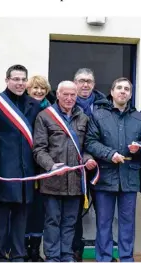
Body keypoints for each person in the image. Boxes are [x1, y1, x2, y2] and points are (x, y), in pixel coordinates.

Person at [85, 77, 141, 262]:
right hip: (105, 176)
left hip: (129, 177)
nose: (123, 91)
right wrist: (109, 153)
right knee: (104, 222)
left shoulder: (140, 118)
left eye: (127, 89)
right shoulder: (98, 115)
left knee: (127, 223)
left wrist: (140, 147)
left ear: (130, 94)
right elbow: (90, 142)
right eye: (119, 88)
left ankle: (126, 258)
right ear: (112, 92)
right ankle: (104, 258)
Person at [33, 80, 97, 262]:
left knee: (70, 222)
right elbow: (38, 149)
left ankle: (66, 255)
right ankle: (53, 257)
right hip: (52, 180)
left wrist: (88, 159)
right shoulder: (45, 116)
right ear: (58, 95)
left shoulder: (84, 118)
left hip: (75, 181)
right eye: (65, 94)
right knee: (52, 221)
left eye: (73, 95)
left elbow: (87, 146)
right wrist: (50, 166)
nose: (69, 98)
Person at [0, 64, 41, 262]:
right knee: (1, 217)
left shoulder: (34, 104)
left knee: (21, 215)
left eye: (23, 79)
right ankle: (0, 256)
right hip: (3, 167)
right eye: (15, 79)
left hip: (27, 168)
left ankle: (18, 255)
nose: (19, 83)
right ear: (7, 80)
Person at [72, 68, 108, 262]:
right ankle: (75, 251)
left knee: (104, 213)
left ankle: (105, 253)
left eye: (89, 81)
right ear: (74, 83)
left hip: (101, 167)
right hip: (75, 168)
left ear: (94, 84)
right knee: (74, 213)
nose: (85, 85)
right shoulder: (66, 104)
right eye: (81, 81)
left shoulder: (104, 105)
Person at [23, 75, 52, 262]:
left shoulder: (51, 109)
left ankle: (35, 249)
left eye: (42, 88)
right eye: (35, 88)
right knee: (24, 209)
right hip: (26, 166)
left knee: (39, 210)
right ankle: (22, 249)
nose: (39, 92)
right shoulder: (22, 108)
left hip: (44, 168)